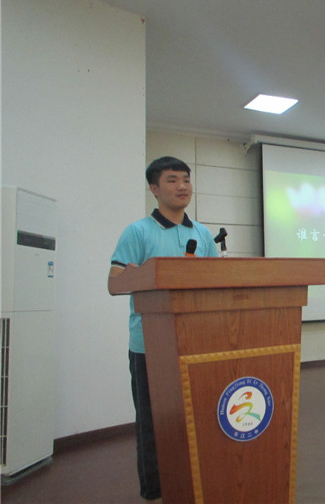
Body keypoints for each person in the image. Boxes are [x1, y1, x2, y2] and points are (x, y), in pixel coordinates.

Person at [108, 156, 218, 501]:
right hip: (150, 346)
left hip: (195, 341)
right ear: (154, 189)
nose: (182, 186)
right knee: (153, 423)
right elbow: (115, 282)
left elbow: (217, 281)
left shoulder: (202, 234)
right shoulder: (138, 231)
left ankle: (194, 480)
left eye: (186, 179)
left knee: (195, 418)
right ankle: (154, 491)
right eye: (172, 180)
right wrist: (149, 275)